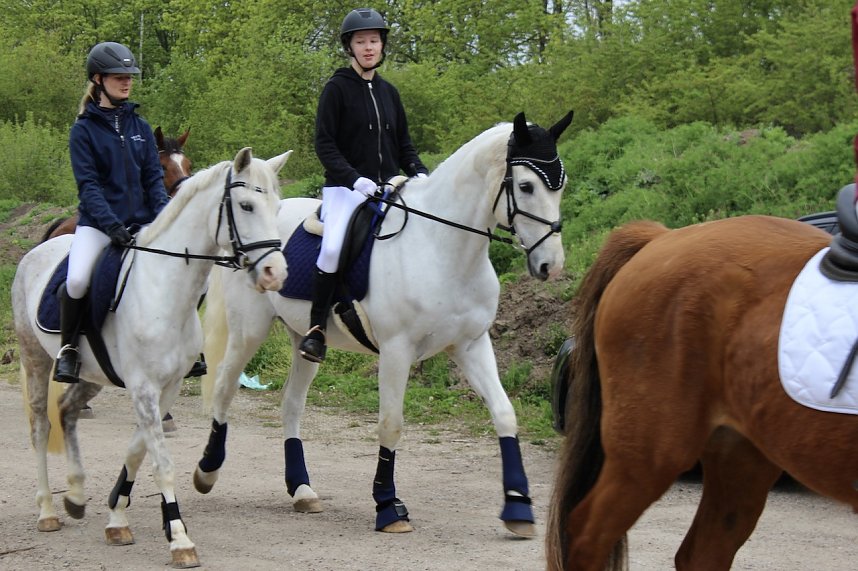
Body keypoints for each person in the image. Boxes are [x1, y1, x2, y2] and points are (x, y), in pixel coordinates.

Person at [299, 7, 429, 363]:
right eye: (361, 42)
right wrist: (354, 179)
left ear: (382, 45)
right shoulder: (336, 89)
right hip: (344, 190)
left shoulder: (390, 92)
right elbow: (324, 145)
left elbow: (404, 145)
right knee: (331, 248)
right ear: (350, 47)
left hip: (390, 186)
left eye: (374, 40)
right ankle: (316, 330)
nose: (369, 47)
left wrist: (419, 171)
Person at [54, 41, 170, 383]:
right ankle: (69, 350)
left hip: (143, 222)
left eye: (130, 76)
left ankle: (184, 346)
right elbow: (88, 187)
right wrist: (111, 224)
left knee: (180, 269)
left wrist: (164, 218)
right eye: (119, 76)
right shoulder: (83, 131)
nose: (127, 82)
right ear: (98, 79)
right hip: (100, 224)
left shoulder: (141, 128)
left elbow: (153, 179)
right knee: (76, 280)